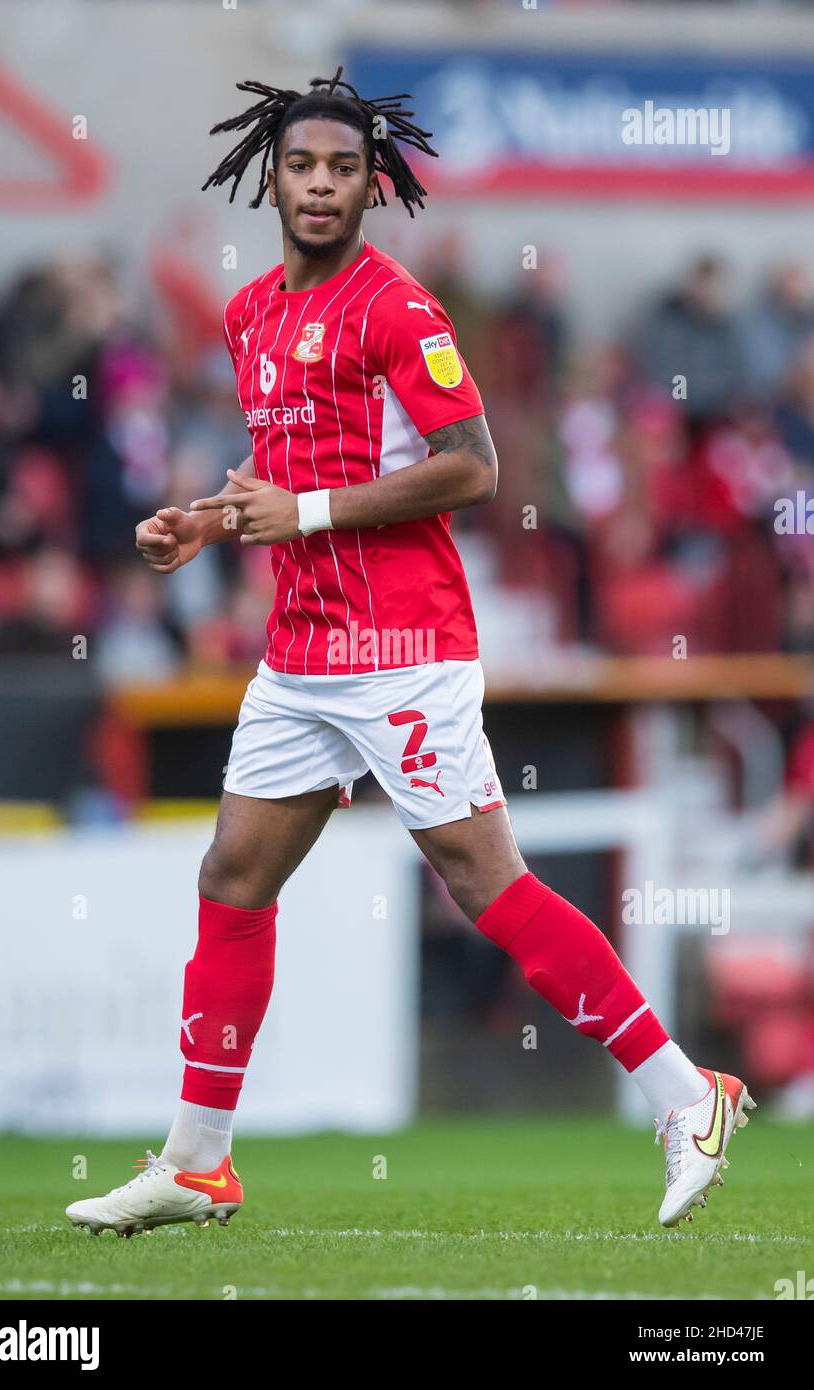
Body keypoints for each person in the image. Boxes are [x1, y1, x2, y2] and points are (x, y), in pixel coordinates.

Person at [66, 69, 754, 1238]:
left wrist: (312, 516)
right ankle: (196, 1161)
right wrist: (208, 517)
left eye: (343, 168)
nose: (322, 185)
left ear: (372, 183)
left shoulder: (398, 309)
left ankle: (689, 1096)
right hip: (298, 656)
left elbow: (474, 464)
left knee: (485, 882)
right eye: (302, 166)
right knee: (232, 878)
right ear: (270, 179)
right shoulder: (252, 317)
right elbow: (283, 480)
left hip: (400, 648)